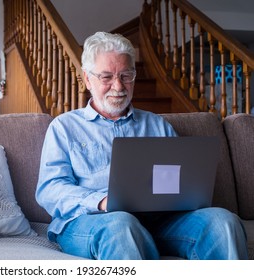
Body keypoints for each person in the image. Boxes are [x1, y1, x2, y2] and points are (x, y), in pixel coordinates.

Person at [35, 31, 248, 260]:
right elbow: (50, 189)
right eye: (107, 77)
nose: (118, 86)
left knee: (223, 221)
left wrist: (178, 195)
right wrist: (102, 202)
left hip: (158, 221)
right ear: (87, 79)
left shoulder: (157, 126)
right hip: (91, 221)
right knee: (121, 225)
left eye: (126, 75)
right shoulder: (64, 127)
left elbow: (180, 181)